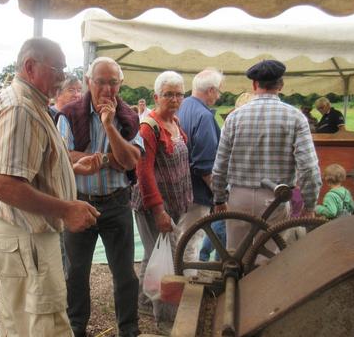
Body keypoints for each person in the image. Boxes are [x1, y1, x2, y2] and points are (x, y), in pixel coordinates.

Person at [0, 37, 99, 337]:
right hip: (27, 238)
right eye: (57, 68)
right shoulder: (21, 109)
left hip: (25, 238)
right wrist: (65, 209)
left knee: (20, 319)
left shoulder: (28, 103)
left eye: (64, 69)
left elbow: (25, 168)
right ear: (30, 67)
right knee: (42, 324)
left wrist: (69, 170)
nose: (62, 77)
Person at [58, 56, 143, 337]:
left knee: (125, 274)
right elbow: (65, 156)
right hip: (80, 201)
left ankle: (128, 329)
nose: (107, 89)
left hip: (117, 202)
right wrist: (109, 158)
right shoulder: (69, 114)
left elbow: (131, 161)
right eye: (101, 82)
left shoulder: (128, 116)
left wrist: (108, 125)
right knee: (76, 272)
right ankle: (76, 326)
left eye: (113, 82)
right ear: (88, 82)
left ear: (120, 84)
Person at [213, 60, 322, 252]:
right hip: (274, 199)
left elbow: (220, 164)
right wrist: (309, 205)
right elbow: (309, 168)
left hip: (239, 198)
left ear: (255, 85)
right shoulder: (296, 117)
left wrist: (219, 199)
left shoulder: (234, 118)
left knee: (234, 258)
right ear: (280, 85)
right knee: (270, 261)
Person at [131, 71, 192, 332]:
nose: (175, 99)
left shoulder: (175, 122)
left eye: (179, 94)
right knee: (167, 258)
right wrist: (158, 211)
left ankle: (144, 301)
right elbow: (142, 173)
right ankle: (166, 321)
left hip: (173, 204)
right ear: (157, 97)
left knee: (154, 252)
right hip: (154, 206)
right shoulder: (148, 127)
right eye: (169, 94)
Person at [176, 69, 223, 270]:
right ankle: (186, 288)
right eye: (218, 91)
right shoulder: (204, 116)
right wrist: (220, 196)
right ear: (211, 90)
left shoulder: (182, 106)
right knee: (191, 242)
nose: (219, 96)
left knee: (179, 238)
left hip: (179, 187)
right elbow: (205, 166)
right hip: (196, 192)